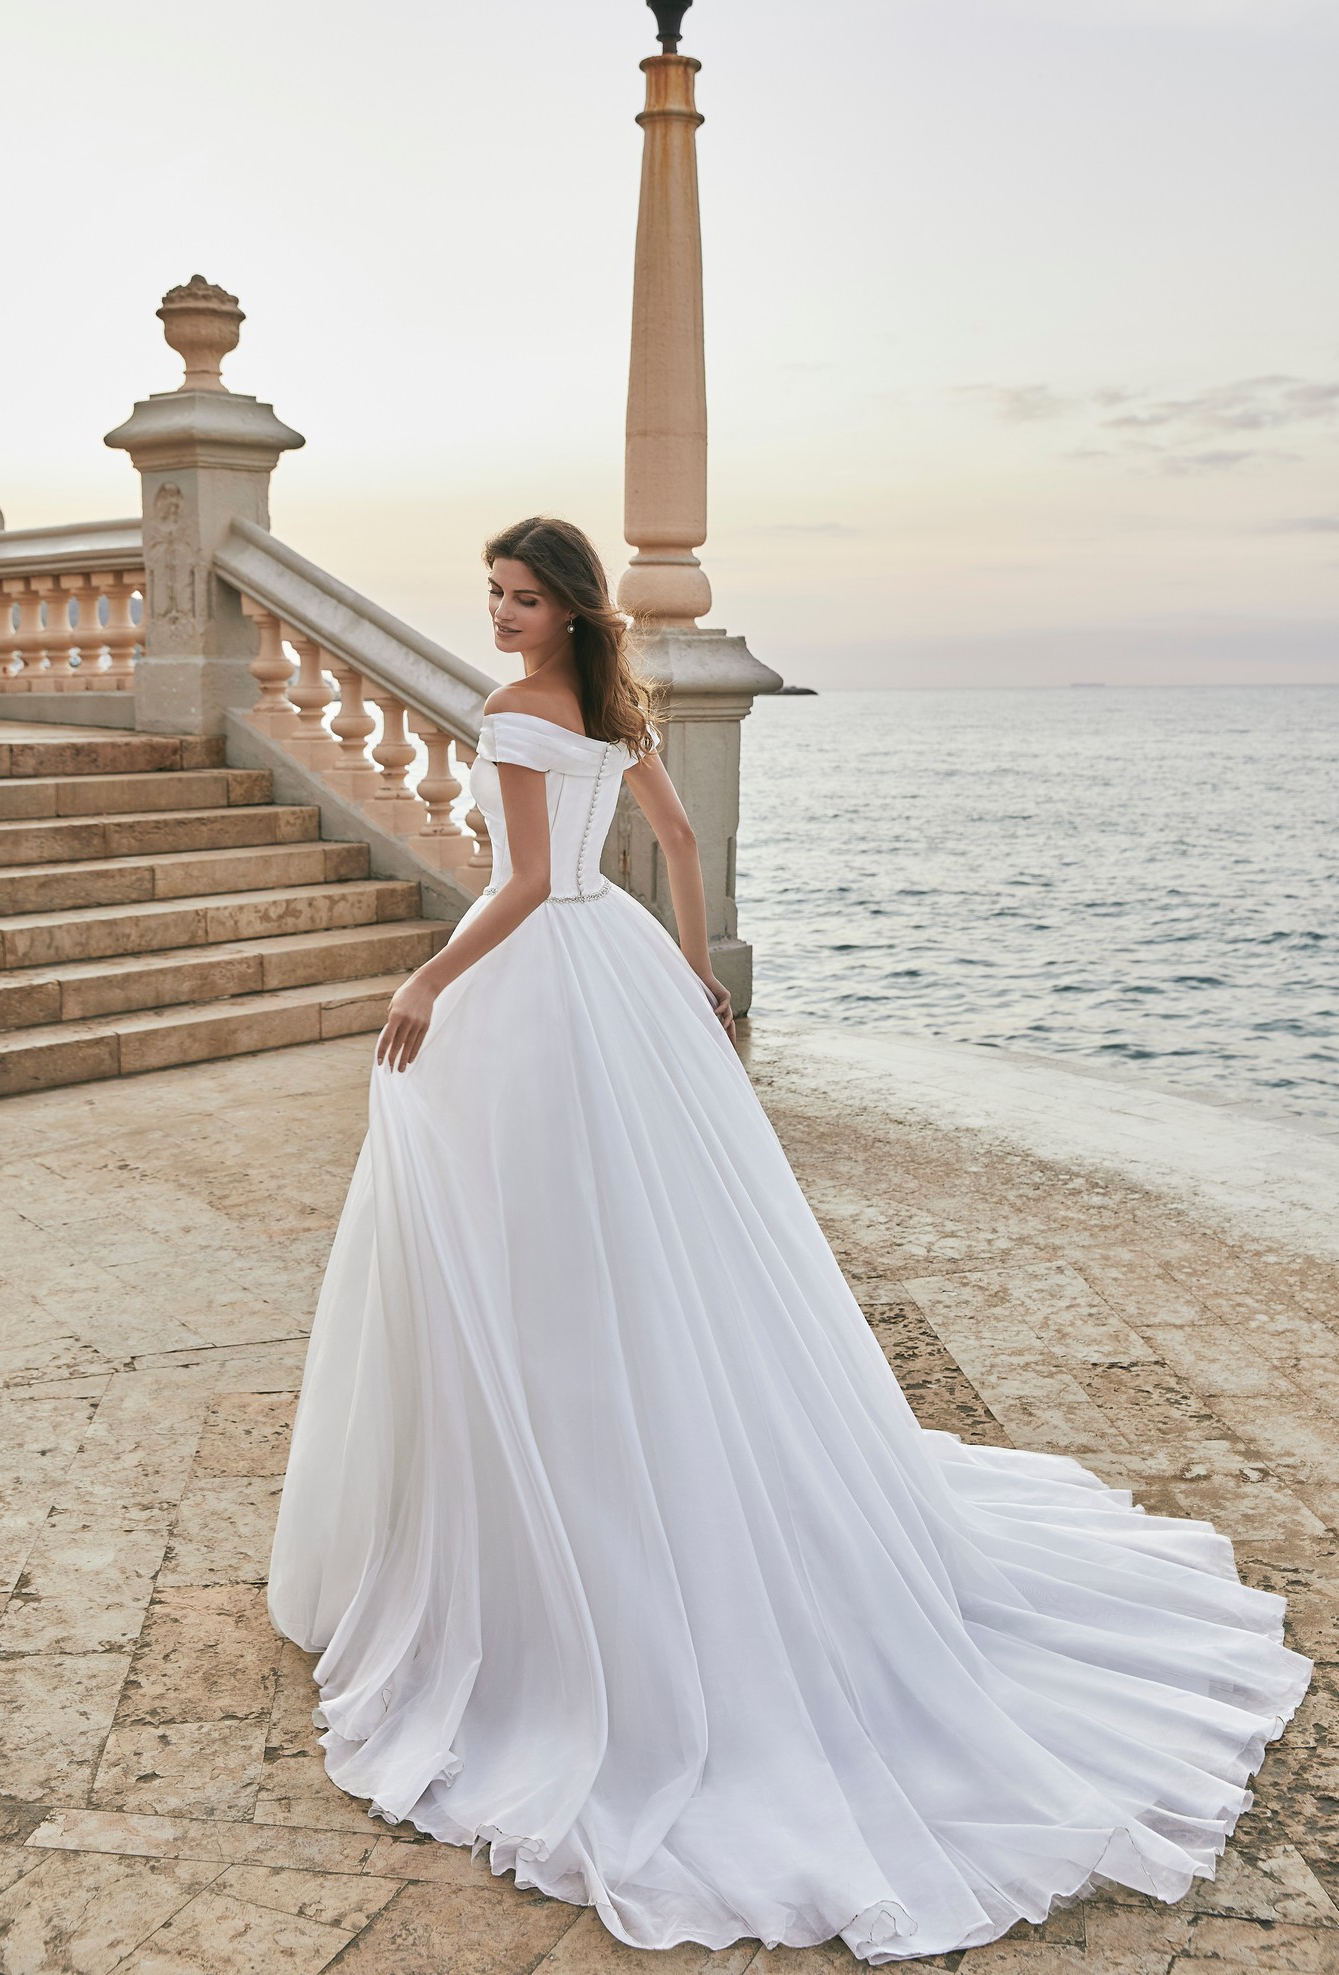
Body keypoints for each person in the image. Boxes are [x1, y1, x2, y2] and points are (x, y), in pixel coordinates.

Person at [267, 516, 1310, 1965]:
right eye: (493, 598)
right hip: (622, 965)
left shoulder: (516, 712)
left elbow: (509, 887)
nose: (499, 619)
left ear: (566, 605)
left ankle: (557, 1474)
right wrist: (695, 981)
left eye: (517, 597)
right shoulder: (613, 704)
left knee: (527, 1225)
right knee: (652, 1232)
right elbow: (676, 843)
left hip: (538, 970)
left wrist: (428, 984)